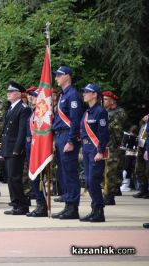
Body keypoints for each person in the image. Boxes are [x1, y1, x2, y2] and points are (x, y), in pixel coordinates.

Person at [51, 65, 84, 220]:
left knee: (70, 173)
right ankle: (67, 204)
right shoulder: (64, 95)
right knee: (63, 173)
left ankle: (73, 207)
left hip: (67, 136)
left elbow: (75, 120)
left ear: (67, 76)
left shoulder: (73, 95)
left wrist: (71, 140)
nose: (56, 78)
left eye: (59, 75)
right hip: (60, 136)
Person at [79, 84, 109, 222]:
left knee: (93, 181)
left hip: (95, 150)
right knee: (88, 182)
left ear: (95, 95)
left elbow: (103, 134)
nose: (84, 94)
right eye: (84, 92)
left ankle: (99, 211)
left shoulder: (100, 111)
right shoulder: (87, 112)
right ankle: (94, 210)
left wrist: (100, 151)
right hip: (86, 150)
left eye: (87, 92)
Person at [1, 81, 31, 215]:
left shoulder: (23, 108)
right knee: (10, 178)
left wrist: (17, 149)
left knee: (15, 178)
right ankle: (15, 204)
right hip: (8, 147)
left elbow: (22, 130)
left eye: (11, 92)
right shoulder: (11, 108)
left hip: (15, 148)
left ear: (19, 94)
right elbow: (6, 131)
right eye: (8, 92)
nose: (8, 94)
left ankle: (22, 205)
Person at [25, 88, 48, 217]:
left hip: (38, 149)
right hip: (31, 147)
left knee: (38, 179)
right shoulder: (34, 112)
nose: (31, 98)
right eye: (30, 96)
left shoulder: (43, 113)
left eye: (34, 96)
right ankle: (39, 204)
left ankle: (42, 205)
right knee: (33, 178)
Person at [102, 90, 127, 205]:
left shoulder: (119, 112)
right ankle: (107, 192)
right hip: (104, 146)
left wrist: (118, 145)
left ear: (112, 101)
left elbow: (118, 132)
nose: (103, 101)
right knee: (105, 171)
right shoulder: (103, 112)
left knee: (111, 172)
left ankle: (110, 195)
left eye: (106, 99)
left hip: (112, 146)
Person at [134, 115, 149, 198]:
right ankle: (143, 189)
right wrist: (143, 120)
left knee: (147, 170)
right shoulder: (145, 120)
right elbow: (141, 126)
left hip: (148, 146)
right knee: (138, 169)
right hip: (141, 145)